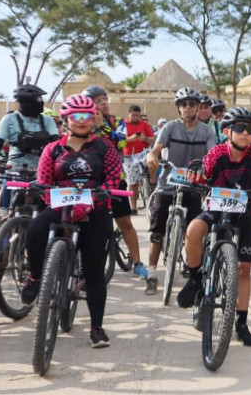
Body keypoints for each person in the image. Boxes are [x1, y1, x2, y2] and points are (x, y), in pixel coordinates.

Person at [22, 95, 122, 348]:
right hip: (61, 206)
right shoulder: (52, 149)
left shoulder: (105, 147)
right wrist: (48, 195)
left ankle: (96, 328)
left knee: (94, 272)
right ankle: (35, 278)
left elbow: (113, 179)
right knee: (35, 229)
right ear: (65, 119)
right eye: (75, 116)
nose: (81, 121)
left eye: (86, 116)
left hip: (95, 208)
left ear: (93, 118)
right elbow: (44, 180)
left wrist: (96, 198)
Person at [176, 107, 251, 347]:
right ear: (227, 132)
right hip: (217, 208)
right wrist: (197, 170)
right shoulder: (218, 152)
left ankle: (241, 323)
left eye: (250, 129)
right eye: (240, 128)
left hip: (245, 214)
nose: (246, 134)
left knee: (243, 269)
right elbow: (204, 168)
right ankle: (195, 279)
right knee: (193, 230)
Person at [143, 87, 218, 295]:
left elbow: (213, 155)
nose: (187, 107)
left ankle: (191, 264)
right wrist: (152, 157)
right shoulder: (170, 127)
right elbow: (156, 150)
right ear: (178, 108)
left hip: (193, 186)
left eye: (192, 104)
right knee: (157, 232)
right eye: (183, 104)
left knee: (195, 232)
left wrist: (208, 169)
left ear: (197, 107)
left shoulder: (207, 131)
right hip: (168, 184)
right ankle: (151, 274)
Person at [82, 85, 147, 280]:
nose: (104, 103)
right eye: (98, 101)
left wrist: (101, 127)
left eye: (104, 99)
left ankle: (137, 263)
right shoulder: (82, 122)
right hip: (90, 180)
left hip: (115, 179)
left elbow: (122, 141)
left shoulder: (116, 121)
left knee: (125, 221)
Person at [0, 85, 59, 208]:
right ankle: (3, 215)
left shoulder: (47, 120)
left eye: (41, 99)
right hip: (15, 168)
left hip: (43, 168)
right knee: (6, 199)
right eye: (38, 99)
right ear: (25, 102)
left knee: (49, 204)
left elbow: (57, 144)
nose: (41, 102)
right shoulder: (9, 119)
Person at [121, 105, 155, 213]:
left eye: (138, 115)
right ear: (128, 114)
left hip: (143, 154)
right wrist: (130, 139)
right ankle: (133, 207)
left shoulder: (144, 124)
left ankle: (152, 182)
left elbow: (153, 139)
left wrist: (145, 138)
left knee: (153, 164)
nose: (136, 117)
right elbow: (119, 141)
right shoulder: (123, 125)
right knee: (133, 183)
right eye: (134, 115)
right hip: (130, 156)